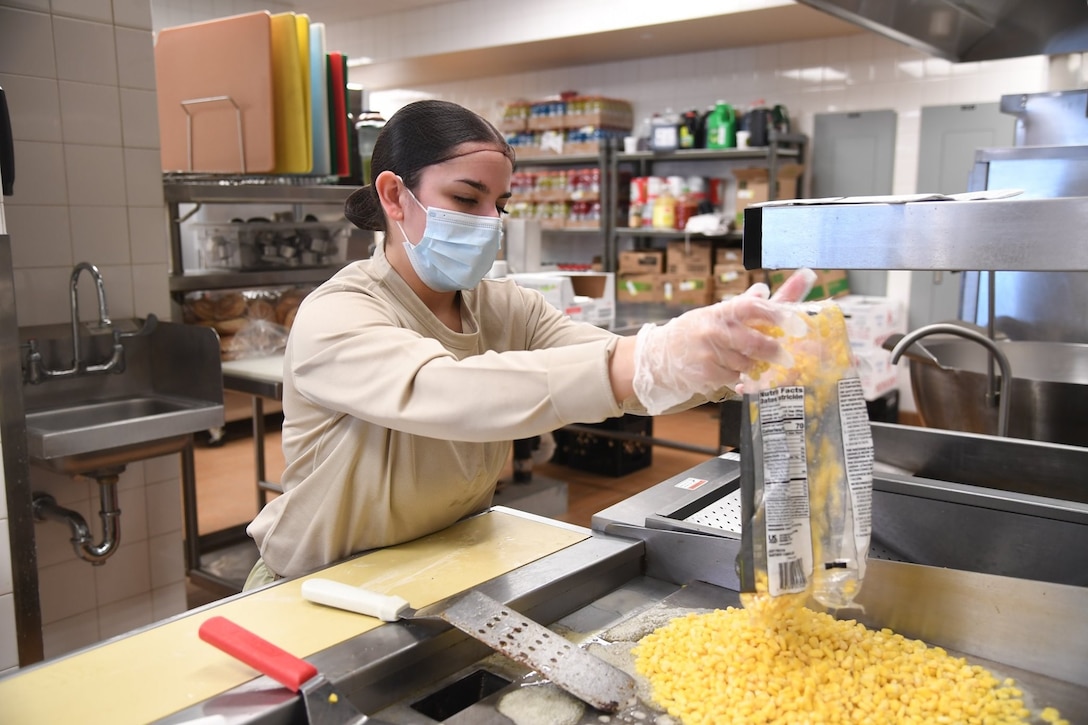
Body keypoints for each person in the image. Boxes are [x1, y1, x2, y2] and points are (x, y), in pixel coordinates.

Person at [244, 99, 814, 588]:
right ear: (395, 196)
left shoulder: (505, 305)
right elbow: (448, 393)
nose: (490, 221)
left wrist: (722, 358)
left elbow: (619, 371)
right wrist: (650, 356)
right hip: (316, 584)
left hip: (434, 566)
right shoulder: (339, 313)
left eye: (501, 204)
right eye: (468, 200)